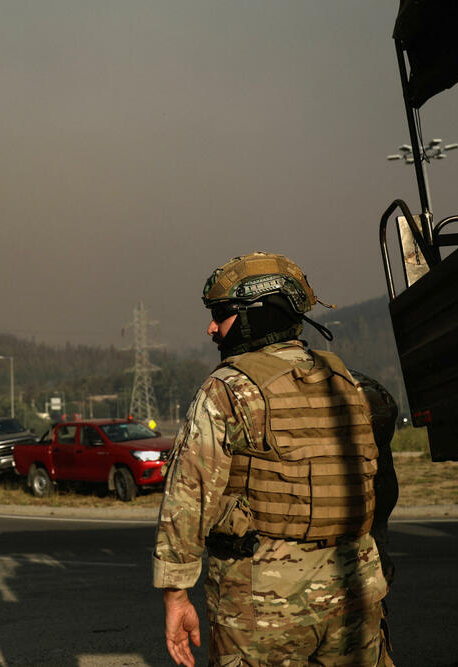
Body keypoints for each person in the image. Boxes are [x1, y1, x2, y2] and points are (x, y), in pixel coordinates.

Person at [154, 252, 392, 666]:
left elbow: (187, 500)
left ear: (255, 315)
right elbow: (378, 487)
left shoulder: (228, 389)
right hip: (355, 591)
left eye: (222, 314)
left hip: (262, 605)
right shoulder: (348, 384)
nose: (212, 327)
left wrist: (176, 595)